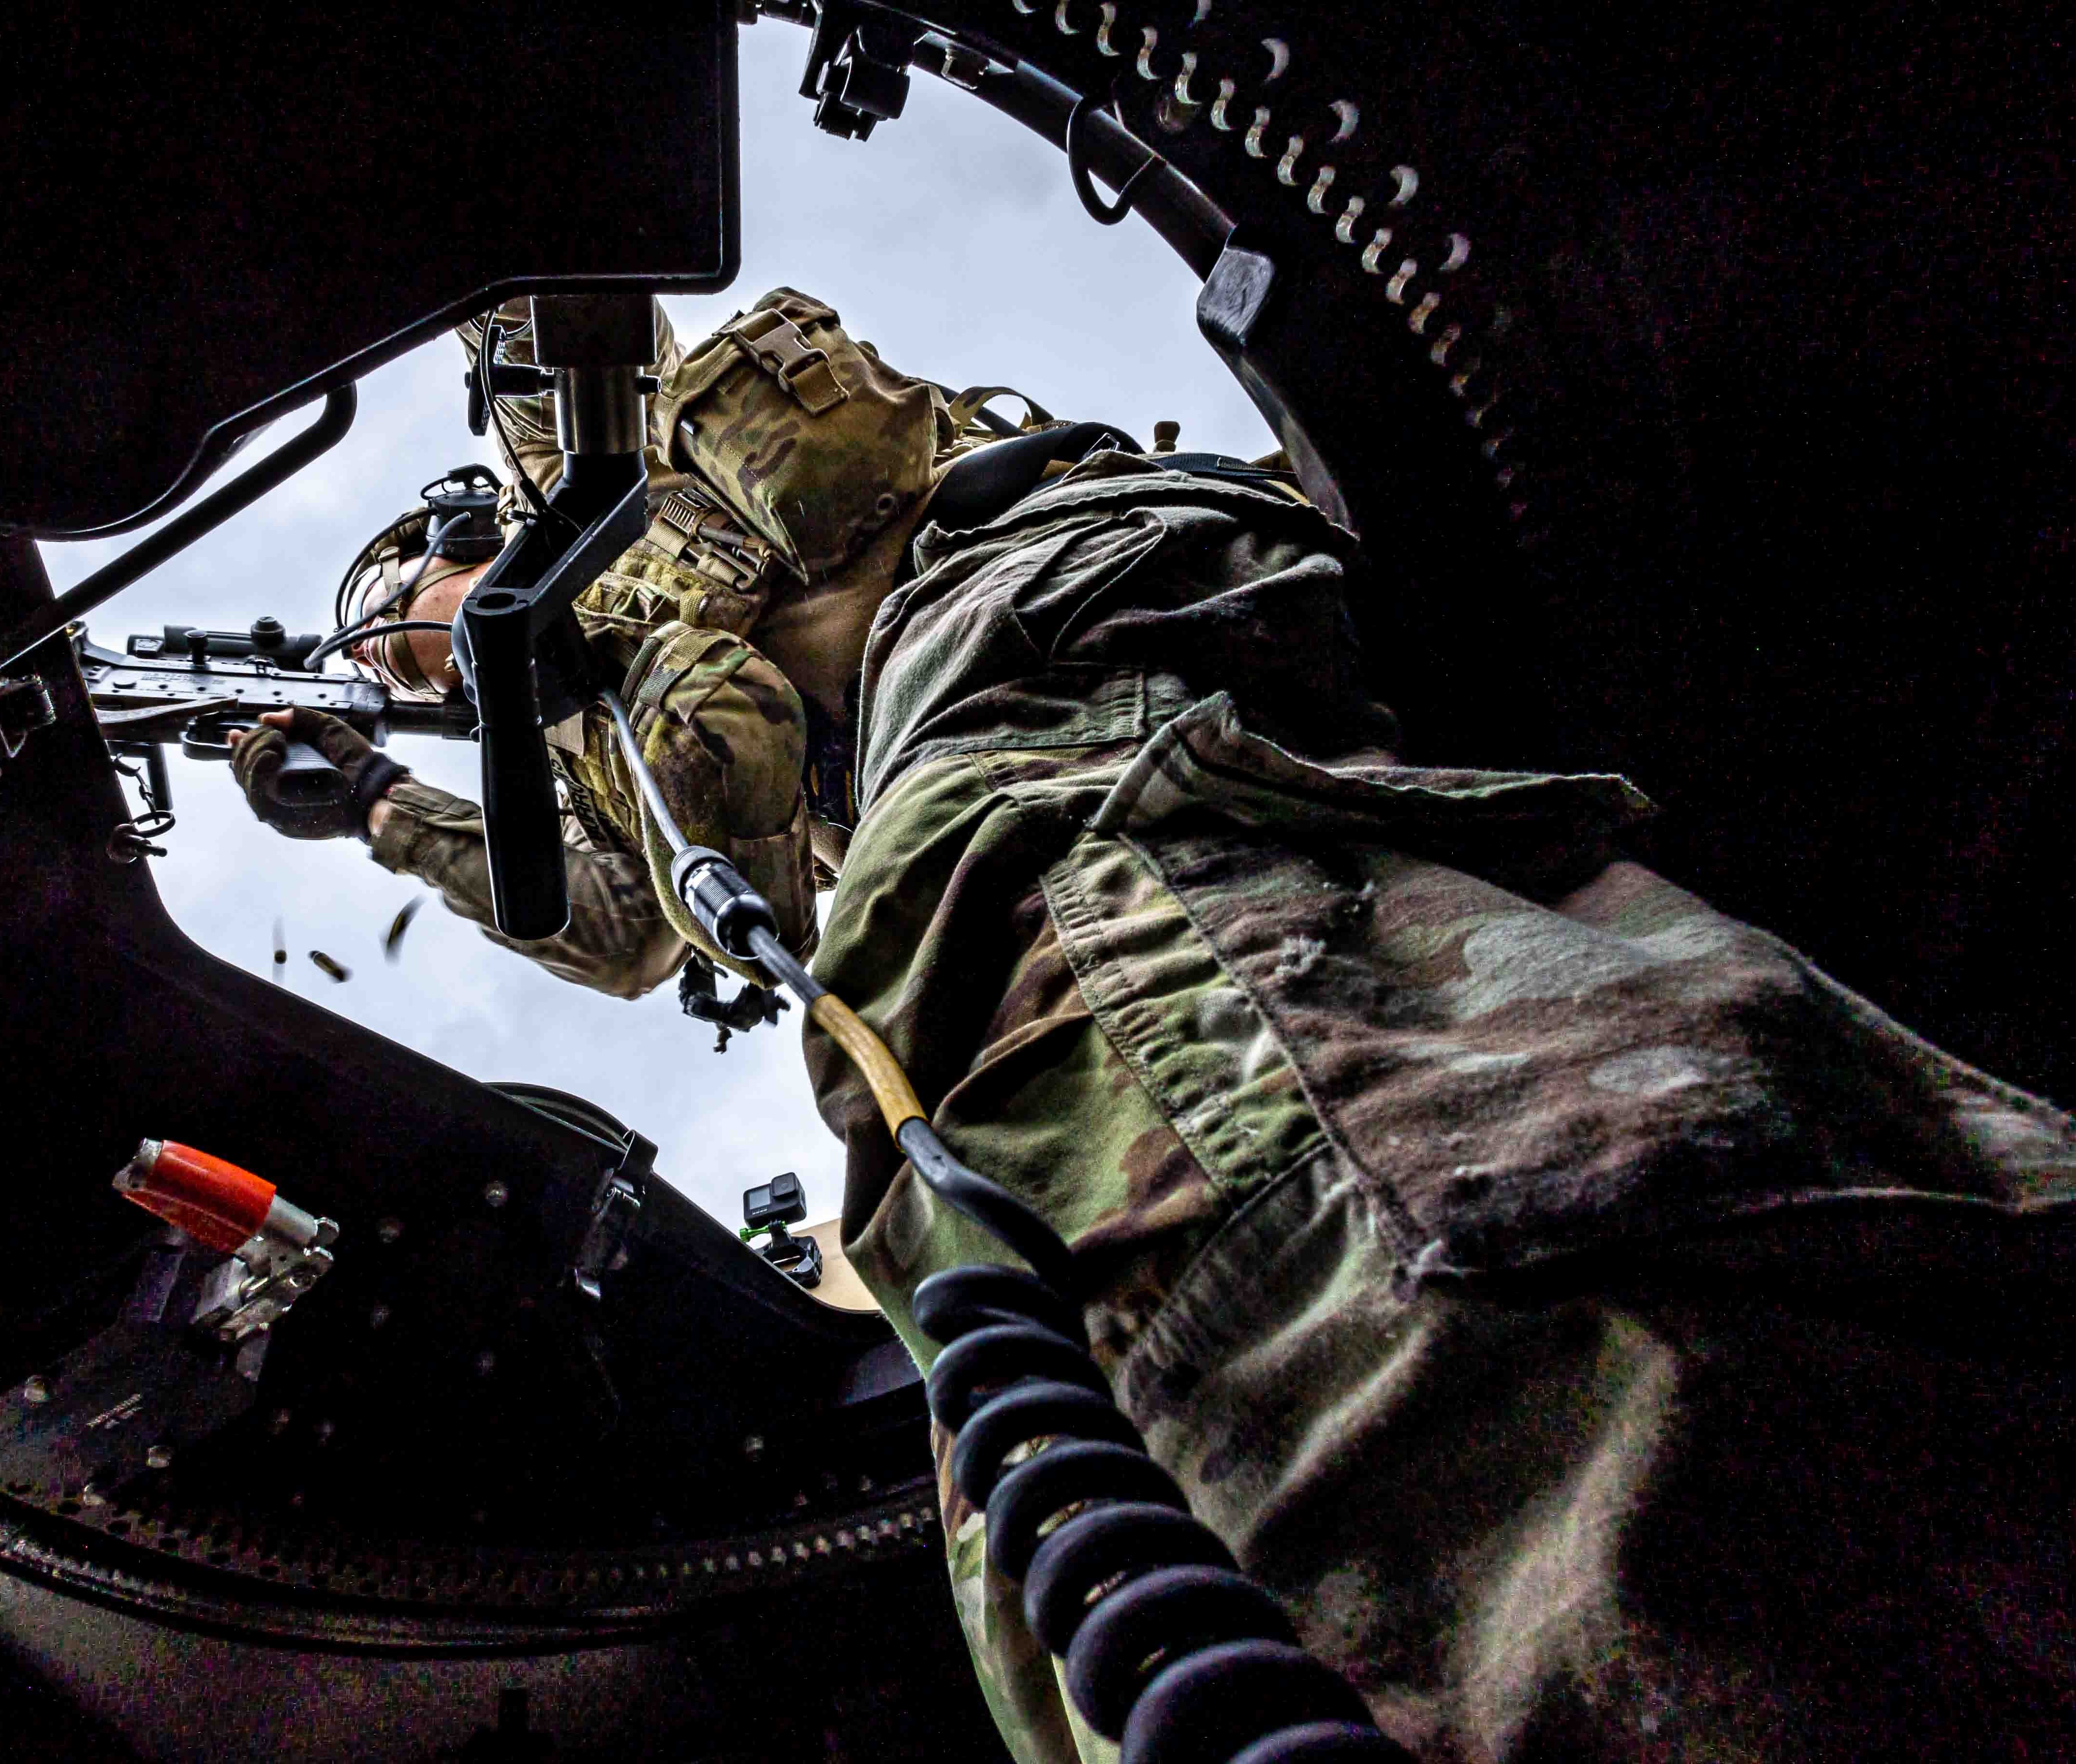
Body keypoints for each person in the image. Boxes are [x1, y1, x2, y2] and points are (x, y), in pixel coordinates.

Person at [236, 292, 2076, 1762]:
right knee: (1027, 1370)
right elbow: (631, 926)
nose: (411, 670)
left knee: (1014, 949)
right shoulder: (590, 744)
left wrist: (523, 411)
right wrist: (390, 810)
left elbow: (583, 299)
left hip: (1013, 644)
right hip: (929, 809)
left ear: (458, 546)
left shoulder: (603, 460)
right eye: (402, 674)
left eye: (406, 633)